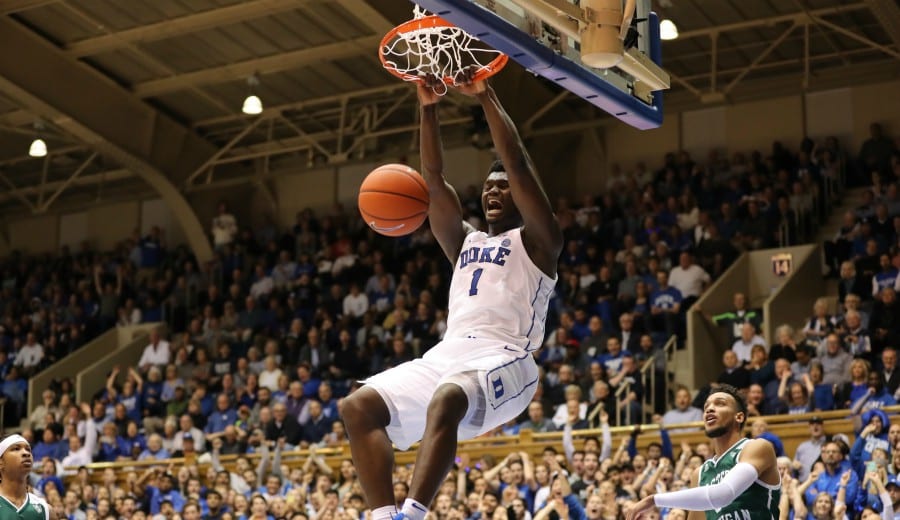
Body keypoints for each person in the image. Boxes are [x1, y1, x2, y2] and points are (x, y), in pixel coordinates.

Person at [341, 69, 563, 520]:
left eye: (502, 187)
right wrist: (427, 107)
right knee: (357, 406)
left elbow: (516, 161)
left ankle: (415, 514)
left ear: (521, 198)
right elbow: (433, 177)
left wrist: (484, 94)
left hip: (509, 358)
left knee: (447, 397)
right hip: (449, 355)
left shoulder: (540, 241)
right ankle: (385, 517)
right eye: (488, 187)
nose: (493, 191)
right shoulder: (466, 242)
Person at [628, 384, 781, 520]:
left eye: (720, 404)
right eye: (706, 406)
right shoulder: (700, 474)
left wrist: (653, 500)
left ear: (739, 417)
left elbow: (724, 493)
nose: (710, 408)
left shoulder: (757, 447)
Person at [0, 434, 56, 520]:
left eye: (28, 449)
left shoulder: (46, 510)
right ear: (1, 462)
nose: (26, 453)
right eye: (16, 448)